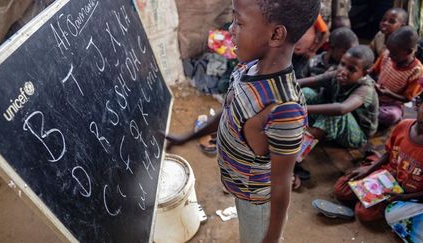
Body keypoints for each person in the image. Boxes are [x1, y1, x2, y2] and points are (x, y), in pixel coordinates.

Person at [166, 0, 321, 242]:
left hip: (259, 204)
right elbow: (230, 109)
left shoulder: (284, 108)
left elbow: (281, 187)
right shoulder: (248, 67)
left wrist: (269, 238)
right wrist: (187, 136)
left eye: (239, 22)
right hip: (242, 188)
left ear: (276, 34)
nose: (230, 29)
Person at [332, 97, 423, 223]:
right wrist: (369, 169)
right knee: (340, 190)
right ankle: (372, 161)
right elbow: (389, 153)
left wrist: (404, 197)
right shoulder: (404, 125)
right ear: (417, 105)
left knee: (364, 214)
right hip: (388, 174)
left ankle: (371, 197)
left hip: (406, 192)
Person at [297, 45, 378, 149]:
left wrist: (302, 109)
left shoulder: (366, 89)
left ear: (364, 73)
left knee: (334, 114)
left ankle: (297, 150)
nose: (343, 71)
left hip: (357, 134)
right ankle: (286, 126)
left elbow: (341, 109)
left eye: (351, 69)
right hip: (337, 119)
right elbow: (309, 81)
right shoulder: (337, 74)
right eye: (342, 64)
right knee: (306, 92)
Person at [370, 26, 423, 128]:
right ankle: (370, 112)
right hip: (374, 95)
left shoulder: (417, 71)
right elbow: (372, 72)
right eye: (389, 51)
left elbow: (407, 98)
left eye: (394, 54)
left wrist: (388, 93)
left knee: (391, 115)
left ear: (408, 52)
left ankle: (367, 112)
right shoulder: (386, 55)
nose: (389, 56)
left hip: (392, 104)